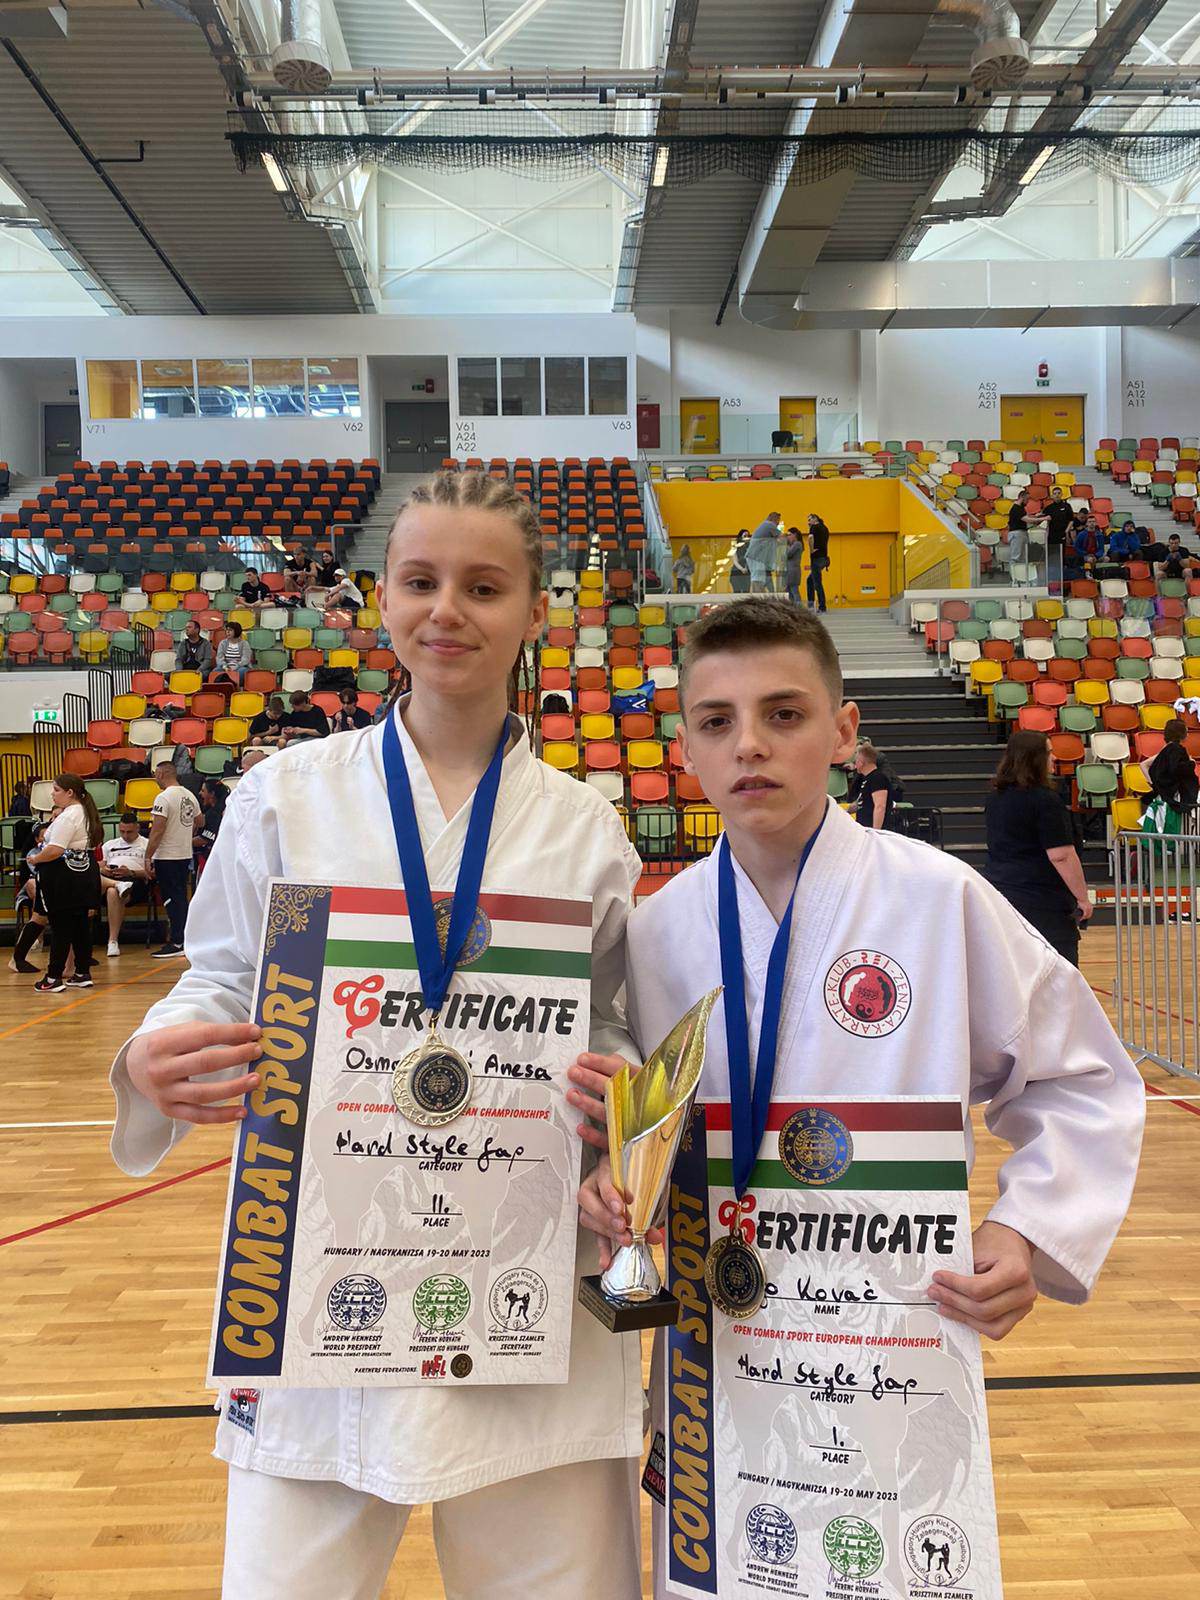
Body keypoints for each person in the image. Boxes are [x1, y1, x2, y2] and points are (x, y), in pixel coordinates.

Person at [108, 469, 644, 1600]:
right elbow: (225, 976)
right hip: (318, 1264)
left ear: (534, 611)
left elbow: (615, 1023)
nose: (447, 609)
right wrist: (161, 1050)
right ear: (382, 597)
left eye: (483, 586)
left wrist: (621, 1115)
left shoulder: (585, 827)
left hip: (525, 1273)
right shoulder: (286, 793)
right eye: (419, 580)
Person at [570, 597, 1144, 1600]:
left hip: (892, 1339)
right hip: (723, 1343)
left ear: (843, 731)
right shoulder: (658, 932)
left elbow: (1081, 1077)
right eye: (717, 721)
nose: (750, 744)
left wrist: (1028, 1229)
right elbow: (643, 1130)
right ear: (686, 749)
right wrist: (613, 1179)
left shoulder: (938, 898)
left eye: (784, 714)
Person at [983, 730, 1092, 966]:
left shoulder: (995, 798)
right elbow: (1061, 855)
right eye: (1049, 753)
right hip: (1041, 901)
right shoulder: (1045, 800)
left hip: (1001, 895)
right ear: (1034, 758)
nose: (1054, 758)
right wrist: (1082, 898)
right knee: (1059, 971)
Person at [28, 774, 103, 994]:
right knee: (79, 924)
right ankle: (82, 972)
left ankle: (53, 977)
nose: (52, 794)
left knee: (61, 925)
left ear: (70, 792)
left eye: (56, 790)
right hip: (82, 870)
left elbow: (55, 849)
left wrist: (36, 859)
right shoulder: (84, 812)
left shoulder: (69, 816)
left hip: (64, 874)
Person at [145, 761, 199, 959]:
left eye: (155, 774)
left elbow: (157, 830)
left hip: (167, 855)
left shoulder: (163, 797)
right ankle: (184, 938)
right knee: (180, 897)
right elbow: (200, 820)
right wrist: (185, 834)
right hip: (184, 854)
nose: (155, 778)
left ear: (161, 774)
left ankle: (177, 941)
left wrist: (147, 855)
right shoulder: (189, 794)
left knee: (171, 899)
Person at [100, 812, 150, 957]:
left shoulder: (147, 844)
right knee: (97, 878)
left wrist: (131, 873)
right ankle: (117, 884)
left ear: (137, 828)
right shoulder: (109, 845)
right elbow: (100, 865)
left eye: (129, 832)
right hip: (109, 877)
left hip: (135, 880)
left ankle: (112, 941)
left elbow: (151, 873)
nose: (125, 835)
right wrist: (105, 870)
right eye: (122, 831)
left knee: (112, 891)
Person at [1139, 717, 1198, 836]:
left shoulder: (1166, 750)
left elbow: (1144, 765)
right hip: (1174, 796)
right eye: (1186, 730)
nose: (1188, 733)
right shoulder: (1175, 750)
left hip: (1166, 796)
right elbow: (1176, 770)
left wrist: (1154, 784)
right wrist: (1191, 763)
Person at [9, 822, 49, 974]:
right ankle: (18, 958)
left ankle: (75, 962)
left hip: (56, 884)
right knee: (39, 917)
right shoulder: (37, 851)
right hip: (42, 885)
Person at [853, 739, 896, 829]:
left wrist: (875, 831)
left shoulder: (878, 778)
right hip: (864, 829)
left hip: (873, 830)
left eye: (856, 761)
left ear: (861, 762)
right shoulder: (866, 779)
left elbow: (880, 806)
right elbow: (862, 802)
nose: (855, 765)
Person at [192, 778, 227, 877]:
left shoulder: (215, 814)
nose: (200, 793)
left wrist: (182, 843)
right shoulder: (211, 810)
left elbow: (204, 839)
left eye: (203, 791)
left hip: (210, 861)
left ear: (212, 794)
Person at [746, 511, 782, 594]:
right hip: (756, 557)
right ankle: (758, 598)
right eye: (778, 521)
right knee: (758, 579)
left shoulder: (764, 525)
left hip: (755, 556)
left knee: (758, 578)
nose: (778, 524)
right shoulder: (769, 525)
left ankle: (759, 596)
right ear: (774, 519)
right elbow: (781, 537)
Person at [212, 621, 252, 686]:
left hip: (240, 667)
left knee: (241, 672)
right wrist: (225, 666)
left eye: (230, 630)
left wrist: (236, 666)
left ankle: (235, 687)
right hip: (226, 667)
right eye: (227, 630)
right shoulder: (223, 643)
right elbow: (219, 658)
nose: (227, 632)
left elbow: (246, 659)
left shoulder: (244, 643)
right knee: (215, 671)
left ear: (236, 631)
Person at [806, 513, 830, 612]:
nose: (808, 522)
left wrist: (811, 550)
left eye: (809, 520)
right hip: (824, 558)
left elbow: (810, 538)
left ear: (815, 519)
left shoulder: (814, 527)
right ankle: (811, 603)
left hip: (816, 558)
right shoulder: (825, 528)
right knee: (810, 580)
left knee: (817, 583)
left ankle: (821, 606)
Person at [783, 527, 804, 605]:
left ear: (795, 535)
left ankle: (799, 607)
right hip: (789, 570)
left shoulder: (797, 544)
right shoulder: (792, 545)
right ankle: (792, 608)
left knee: (794, 591)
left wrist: (785, 544)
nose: (788, 537)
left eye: (789, 535)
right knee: (789, 592)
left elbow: (788, 554)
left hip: (793, 571)